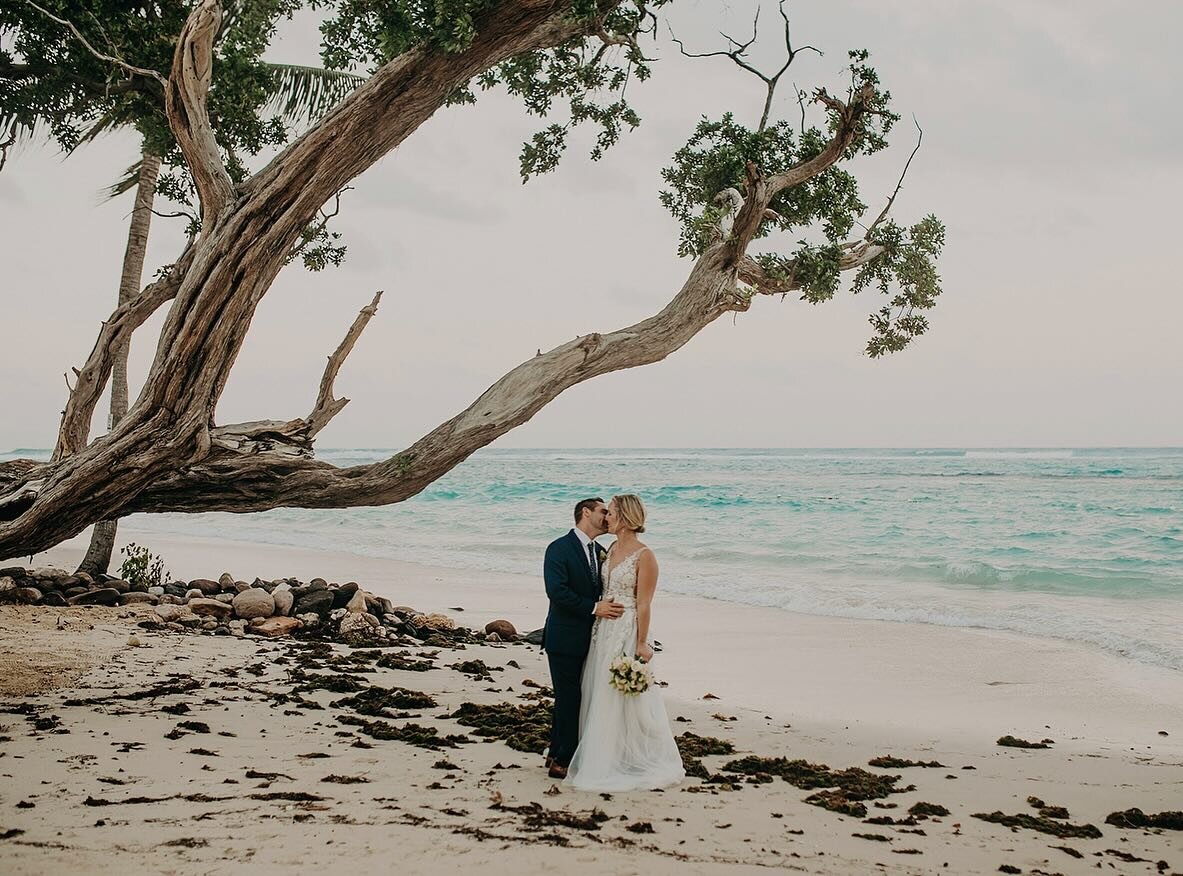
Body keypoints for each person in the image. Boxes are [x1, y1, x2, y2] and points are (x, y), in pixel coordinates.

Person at [564, 494, 685, 792]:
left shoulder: (645, 556)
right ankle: (603, 752)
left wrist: (642, 643)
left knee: (623, 696)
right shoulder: (612, 548)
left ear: (625, 517)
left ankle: (627, 757)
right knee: (599, 690)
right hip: (603, 629)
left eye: (612, 512)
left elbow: (644, 604)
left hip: (628, 629)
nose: (607, 517)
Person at [542, 497, 625, 780]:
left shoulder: (600, 551)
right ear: (586, 513)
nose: (607, 516)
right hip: (563, 636)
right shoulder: (558, 548)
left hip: (593, 637)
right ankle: (562, 761)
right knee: (569, 698)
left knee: (573, 696)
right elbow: (557, 591)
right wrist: (594, 608)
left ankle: (555, 750)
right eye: (603, 511)